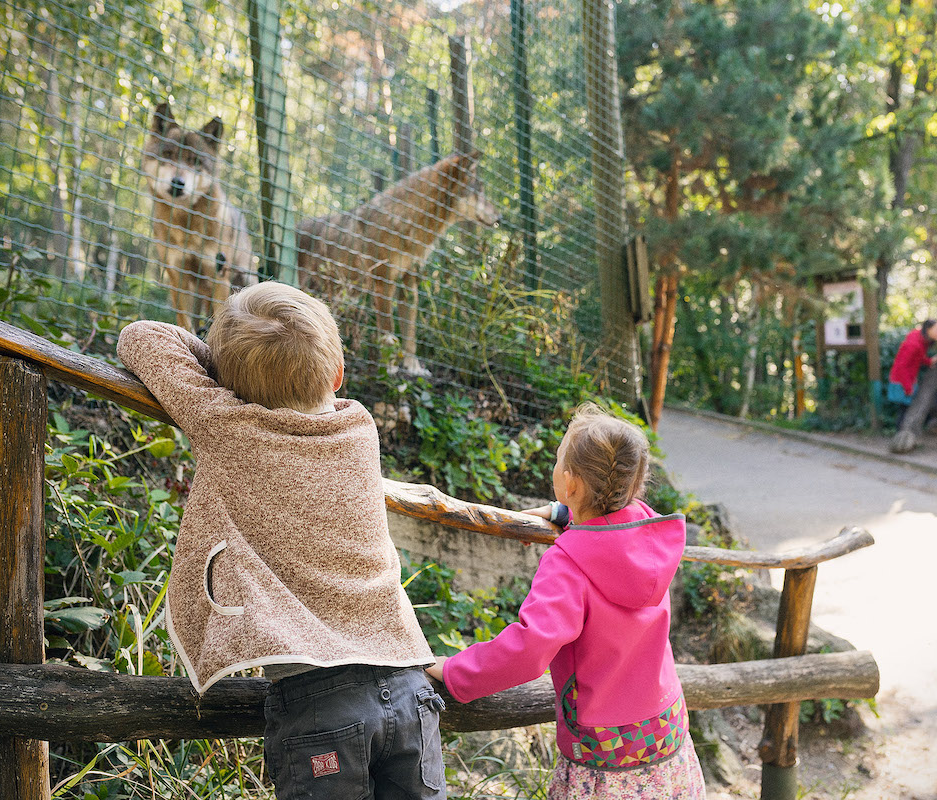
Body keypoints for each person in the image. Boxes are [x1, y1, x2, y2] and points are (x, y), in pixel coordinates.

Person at [117, 282, 445, 800]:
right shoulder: (359, 427)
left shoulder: (225, 420)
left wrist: (225, 374)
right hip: (408, 688)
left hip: (318, 702)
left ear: (229, 386)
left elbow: (143, 336)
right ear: (337, 375)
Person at [425, 404, 707, 799]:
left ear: (570, 483)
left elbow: (529, 648)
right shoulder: (649, 534)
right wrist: (564, 512)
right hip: (666, 732)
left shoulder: (569, 561)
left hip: (604, 756)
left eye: (559, 461)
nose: (555, 466)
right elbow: (607, 525)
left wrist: (455, 669)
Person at [887, 318, 937, 425]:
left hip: (909, 380)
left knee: (907, 409)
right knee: (905, 410)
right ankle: (902, 435)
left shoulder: (921, 339)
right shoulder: (914, 344)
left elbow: (918, 357)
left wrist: (929, 361)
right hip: (903, 381)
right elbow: (902, 366)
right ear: (928, 329)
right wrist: (908, 387)